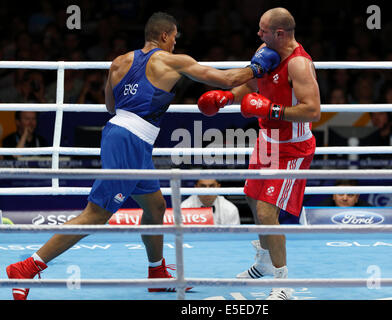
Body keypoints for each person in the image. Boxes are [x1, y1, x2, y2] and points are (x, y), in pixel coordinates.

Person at [6, 11, 281, 300]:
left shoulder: (118, 62)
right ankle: (26, 267)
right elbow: (226, 79)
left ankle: (157, 273)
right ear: (164, 36)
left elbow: (111, 107)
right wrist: (258, 67)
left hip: (121, 135)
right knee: (97, 214)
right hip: (130, 142)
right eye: (175, 37)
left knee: (155, 207)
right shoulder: (173, 61)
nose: (176, 42)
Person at [197, 7, 321, 300]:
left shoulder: (299, 64)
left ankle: (283, 283)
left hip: (292, 147)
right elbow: (250, 85)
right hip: (267, 140)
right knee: (252, 198)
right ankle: (264, 261)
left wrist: (270, 109)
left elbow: (313, 109)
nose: (258, 34)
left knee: (267, 212)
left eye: (263, 30)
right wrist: (228, 97)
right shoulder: (265, 52)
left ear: (280, 33)